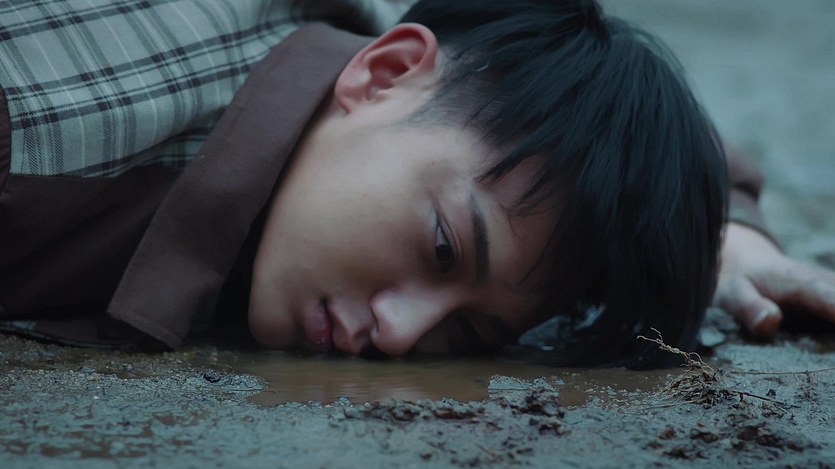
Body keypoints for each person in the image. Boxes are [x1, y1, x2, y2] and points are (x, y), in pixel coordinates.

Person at [0, 0, 831, 368]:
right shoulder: (44, 124)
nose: (398, 334)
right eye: (439, 248)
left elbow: (620, 123)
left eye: (465, 335)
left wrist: (724, 236)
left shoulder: (387, 79)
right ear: (383, 74)